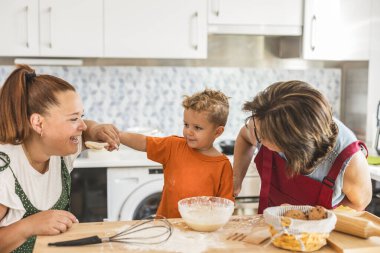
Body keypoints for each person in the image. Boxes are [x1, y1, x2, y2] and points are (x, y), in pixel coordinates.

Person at [0, 65, 120, 253]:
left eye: (82, 116)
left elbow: (86, 129)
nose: (82, 126)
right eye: (73, 119)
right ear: (38, 123)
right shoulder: (6, 171)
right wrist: (28, 226)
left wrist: (95, 128)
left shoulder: (61, 151)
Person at [233, 80, 372, 214]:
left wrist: (309, 216)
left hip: (322, 235)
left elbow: (359, 203)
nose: (255, 135)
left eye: (262, 137)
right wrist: (236, 180)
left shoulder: (350, 162)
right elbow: (245, 137)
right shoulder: (264, 123)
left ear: (293, 147)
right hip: (270, 227)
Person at [119, 89, 234, 218]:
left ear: (218, 132)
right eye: (186, 125)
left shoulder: (223, 166)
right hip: (167, 226)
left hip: (201, 232)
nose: (188, 132)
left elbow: (225, 206)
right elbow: (143, 142)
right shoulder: (173, 147)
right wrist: (118, 135)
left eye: (197, 128)